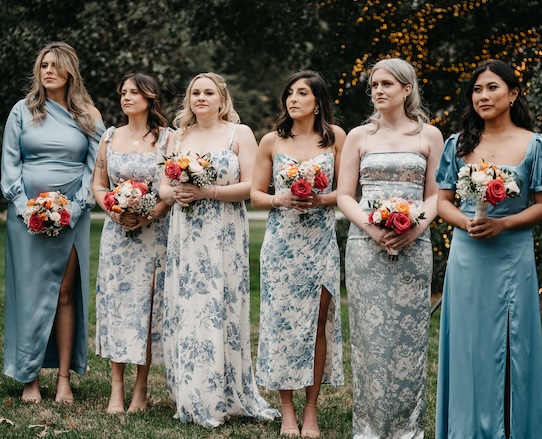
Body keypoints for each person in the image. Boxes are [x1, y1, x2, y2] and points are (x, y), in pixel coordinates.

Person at [434, 59, 542, 439]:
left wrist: (503, 223)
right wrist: (466, 222)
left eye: (493, 87)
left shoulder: (535, 144)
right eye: (478, 89)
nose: (483, 95)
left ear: (513, 93)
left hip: (512, 254)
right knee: (468, 346)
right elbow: (443, 202)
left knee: (512, 343)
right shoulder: (458, 144)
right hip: (468, 255)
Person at [158, 72, 278, 428]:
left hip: (224, 233)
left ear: (222, 98)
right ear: (189, 99)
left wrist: (206, 192)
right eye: (195, 92)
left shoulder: (238, 134)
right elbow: (163, 186)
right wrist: (175, 194)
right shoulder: (178, 137)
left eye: (208, 92)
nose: (201, 98)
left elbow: (252, 187)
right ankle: (193, 394)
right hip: (186, 235)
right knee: (189, 307)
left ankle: (226, 393)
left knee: (219, 305)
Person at [336, 58, 443, 438]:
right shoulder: (359, 136)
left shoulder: (428, 136)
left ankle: (406, 429)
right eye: (374, 85)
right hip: (366, 246)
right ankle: (368, 427)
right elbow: (345, 196)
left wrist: (415, 228)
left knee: (410, 339)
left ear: (406, 89)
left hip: (415, 246)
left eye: (386, 84)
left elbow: (435, 196)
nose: (378, 91)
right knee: (369, 337)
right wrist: (371, 228)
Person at [1, 41, 104, 404]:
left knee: (64, 293)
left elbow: (97, 167)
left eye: (55, 65)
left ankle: (63, 380)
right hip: (25, 217)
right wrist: (23, 206)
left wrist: (74, 209)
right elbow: (10, 162)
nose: (47, 71)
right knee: (29, 295)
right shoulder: (22, 111)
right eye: (43, 65)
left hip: (72, 215)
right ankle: (29, 379)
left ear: (69, 71)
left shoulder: (88, 114)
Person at [251, 70, 346, 438]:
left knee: (317, 324)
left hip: (320, 243)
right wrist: (280, 198)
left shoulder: (337, 138)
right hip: (281, 245)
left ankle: (311, 411)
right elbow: (257, 194)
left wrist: (321, 198)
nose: (292, 99)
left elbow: (348, 189)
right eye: (289, 93)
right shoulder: (271, 141)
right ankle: (287, 410)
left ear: (318, 101)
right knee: (281, 326)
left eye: (301, 93)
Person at [92, 73, 172, 414]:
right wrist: (112, 208)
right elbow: (98, 184)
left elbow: (171, 187)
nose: (126, 97)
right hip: (117, 237)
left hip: (154, 235)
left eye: (134, 92)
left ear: (149, 97)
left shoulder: (168, 140)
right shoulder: (109, 138)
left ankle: (141, 390)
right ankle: (116, 390)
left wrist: (149, 213)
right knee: (118, 308)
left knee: (148, 309)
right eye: (123, 91)